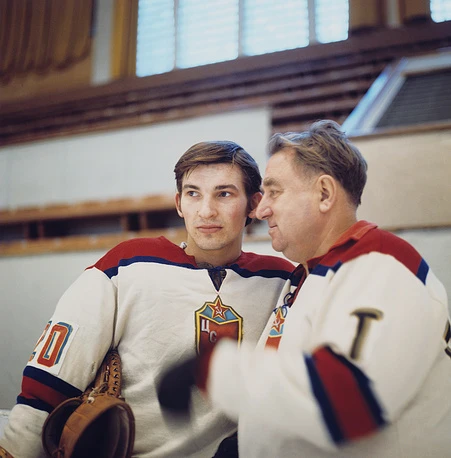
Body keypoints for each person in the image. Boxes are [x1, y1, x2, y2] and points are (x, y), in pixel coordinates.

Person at [158, 121, 451, 457]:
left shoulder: (381, 264)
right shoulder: (310, 275)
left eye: (274, 192)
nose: (261, 209)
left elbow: (351, 400)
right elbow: (291, 390)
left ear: (324, 194)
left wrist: (213, 369)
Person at [0, 141, 294, 458]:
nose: (206, 211)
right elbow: (50, 378)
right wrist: (17, 449)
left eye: (224, 194)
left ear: (254, 203)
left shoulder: (282, 282)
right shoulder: (126, 264)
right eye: (193, 194)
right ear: (179, 203)